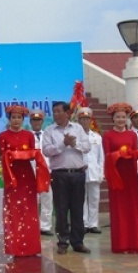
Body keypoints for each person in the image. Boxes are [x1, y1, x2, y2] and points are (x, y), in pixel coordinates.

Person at [0, 105, 49, 257]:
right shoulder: (3, 136)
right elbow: (2, 157)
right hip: (12, 177)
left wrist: (29, 155)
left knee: (29, 211)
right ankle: (15, 248)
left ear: (23, 119)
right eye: (13, 117)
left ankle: (31, 247)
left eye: (19, 118)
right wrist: (11, 155)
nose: (16, 120)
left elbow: (33, 154)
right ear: (9, 119)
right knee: (13, 211)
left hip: (27, 177)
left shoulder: (28, 135)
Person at [42, 101, 91, 255]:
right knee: (61, 209)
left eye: (58, 111)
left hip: (77, 173)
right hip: (59, 174)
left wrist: (74, 144)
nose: (55, 114)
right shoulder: (49, 131)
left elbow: (87, 147)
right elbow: (46, 151)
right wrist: (63, 144)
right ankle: (62, 241)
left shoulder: (78, 129)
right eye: (54, 111)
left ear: (67, 113)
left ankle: (78, 242)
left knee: (77, 209)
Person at [103, 103, 138, 253]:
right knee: (119, 209)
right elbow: (107, 156)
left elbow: (136, 153)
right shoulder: (108, 136)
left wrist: (132, 154)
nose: (121, 120)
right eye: (118, 117)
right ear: (113, 119)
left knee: (133, 208)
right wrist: (117, 155)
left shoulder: (132, 135)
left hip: (131, 175)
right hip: (117, 175)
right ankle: (121, 244)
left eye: (123, 117)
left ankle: (136, 243)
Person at [77, 107, 104, 234]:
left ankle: (93, 223)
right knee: (81, 199)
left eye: (87, 119)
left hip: (94, 172)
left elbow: (101, 157)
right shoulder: (75, 136)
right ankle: (84, 223)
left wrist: (101, 173)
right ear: (79, 120)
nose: (85, 122)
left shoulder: (97, 137)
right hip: (80, 171)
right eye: (82, 119)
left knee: (94, 198)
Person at [30, 110, 54, 236]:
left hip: (46, 171)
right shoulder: (27, 135)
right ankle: (33, 225)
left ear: (42, 122)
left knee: (47, 199)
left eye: (39, 120)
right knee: (33, 200)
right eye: (34, 120)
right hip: (32, 171)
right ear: (30, 122)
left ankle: (45, 226)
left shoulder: (48, 135)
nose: (36, 122)